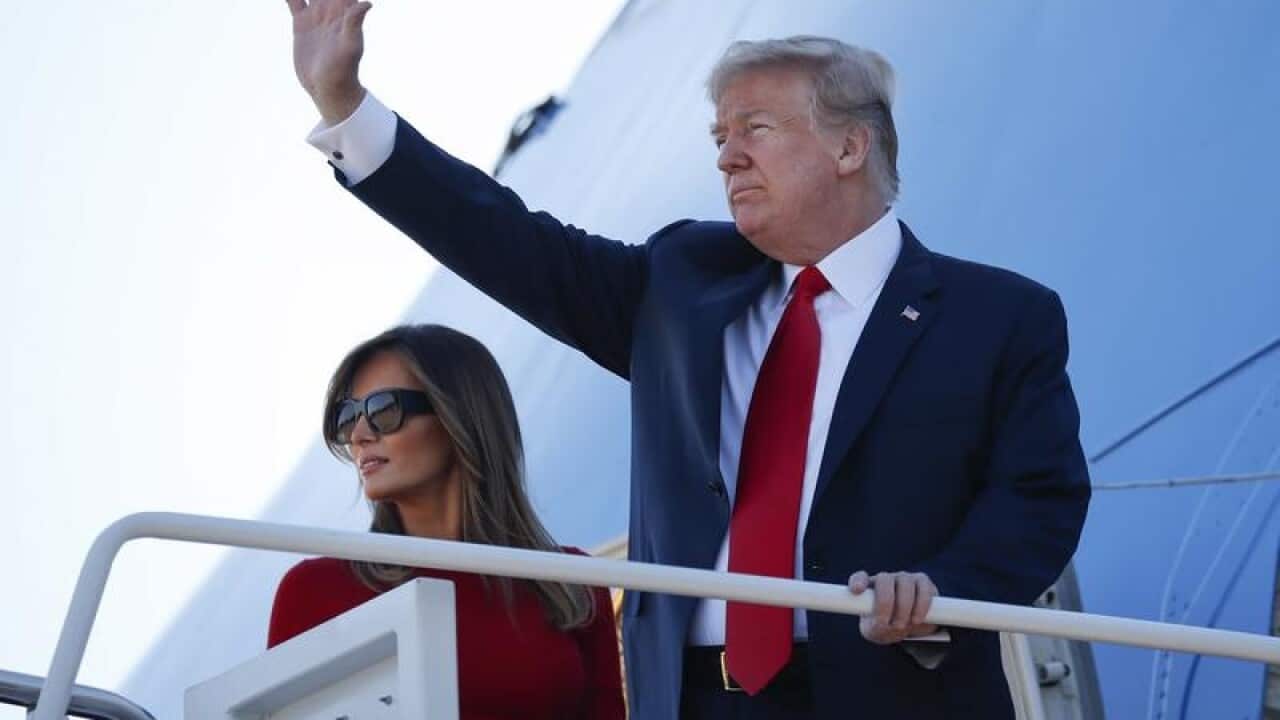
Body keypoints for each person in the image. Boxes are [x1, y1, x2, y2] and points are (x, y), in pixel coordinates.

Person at [285, 3, 1092, 718]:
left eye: (757, 130)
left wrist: (945, 590)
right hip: (696, 697)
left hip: (897, 690)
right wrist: (346, 109)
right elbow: (503, 238)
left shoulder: (999, 316)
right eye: (720, 136)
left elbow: (1040, 500)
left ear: (852, 145)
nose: (727, 157)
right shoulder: (677, 286)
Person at [267, 324, 625, 720]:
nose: (359, 434)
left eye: (384, 410)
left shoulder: (572, 584)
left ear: (459, 416)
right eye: (348, 416)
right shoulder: (314, 592)